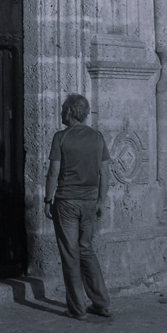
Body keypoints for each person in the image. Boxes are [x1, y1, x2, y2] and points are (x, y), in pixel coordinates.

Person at [44, 93, 112, 320]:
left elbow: (54, 171)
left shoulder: (61, 137)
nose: (61, 112)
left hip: (67, 202)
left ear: (71, 112)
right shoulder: (98, 137)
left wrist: (47, 199)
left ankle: (77, 308)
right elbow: (104, 173)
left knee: (70, 253)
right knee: (86, 249)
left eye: (64, 109)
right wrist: (101, 201)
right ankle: (101, 303)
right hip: (90, 202)